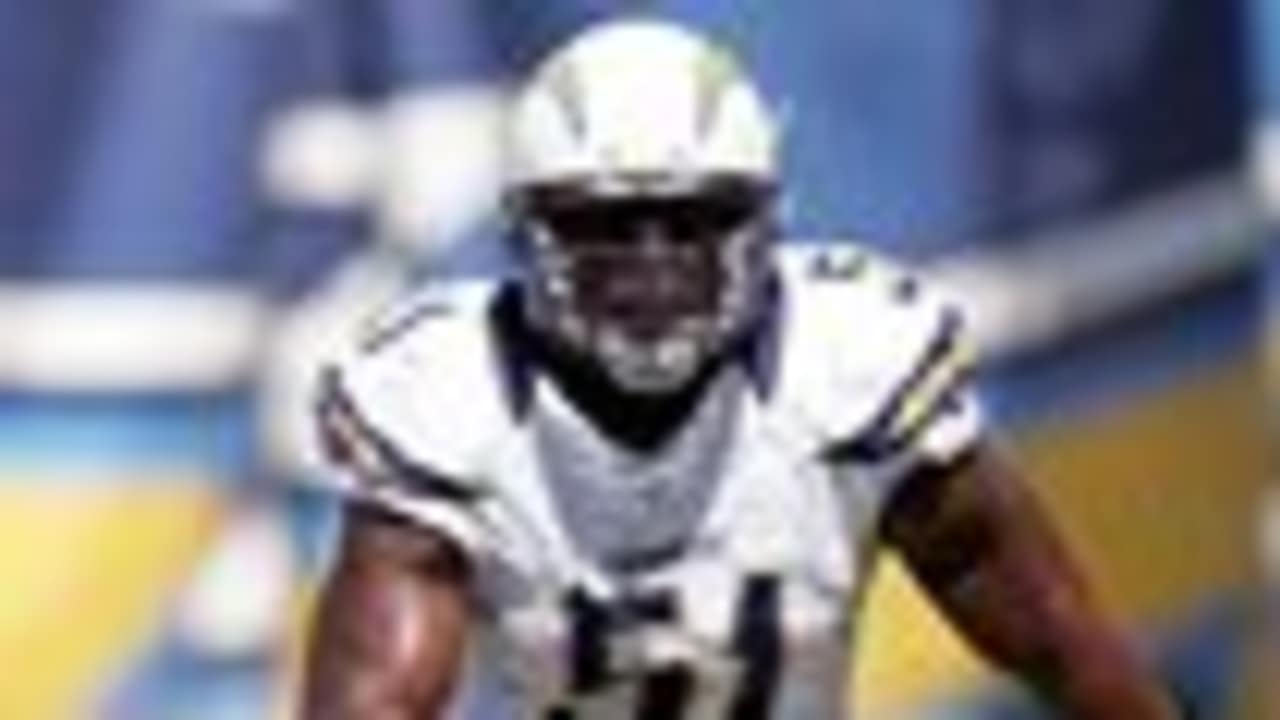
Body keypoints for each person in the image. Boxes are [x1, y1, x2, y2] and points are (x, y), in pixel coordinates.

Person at [301, 18, 1178, 720]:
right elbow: (376, 698)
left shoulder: (850, 367)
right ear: (529, 236)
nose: (652, 269)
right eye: (607, 230)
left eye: (689, 224)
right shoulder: (449, 400)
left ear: (762, 226)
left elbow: (1059, 642)